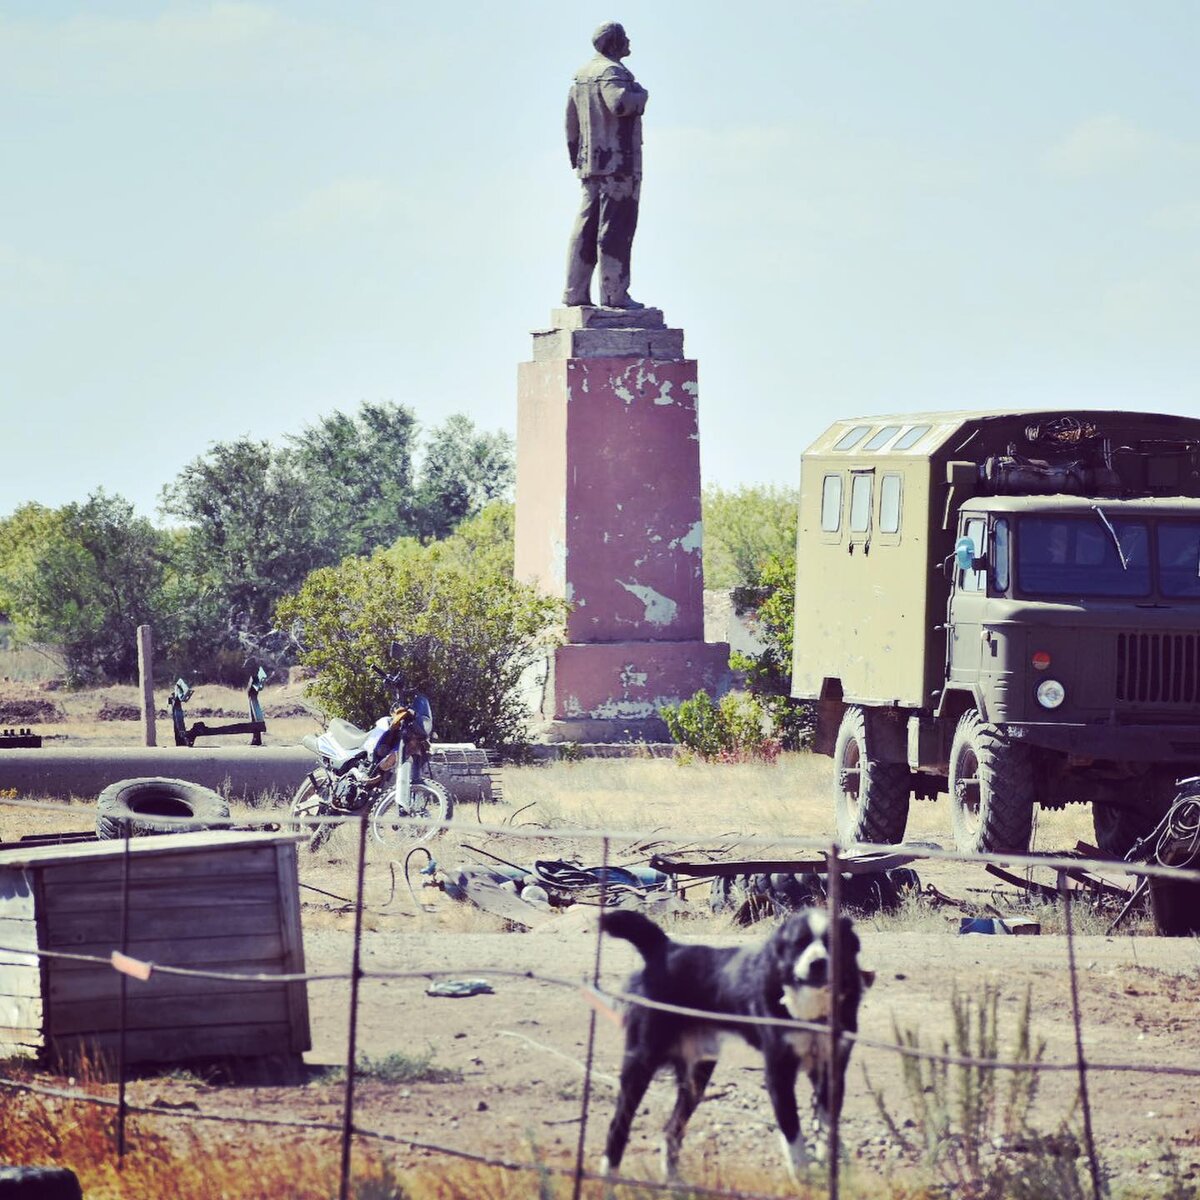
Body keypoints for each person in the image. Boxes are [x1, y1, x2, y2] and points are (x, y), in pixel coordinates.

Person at [562, 22, 648, 310]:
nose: (629, 41)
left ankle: (574, 293)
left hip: (591, 164)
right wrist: (641, 95)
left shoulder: (582, 76)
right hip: (618, 163)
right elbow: (620, 104)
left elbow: (570, 124)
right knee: (616, 228)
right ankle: (614, 295)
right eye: (625, 37)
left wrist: (577, 158)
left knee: (585, 227)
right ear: (614, 43)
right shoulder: (613, 73)